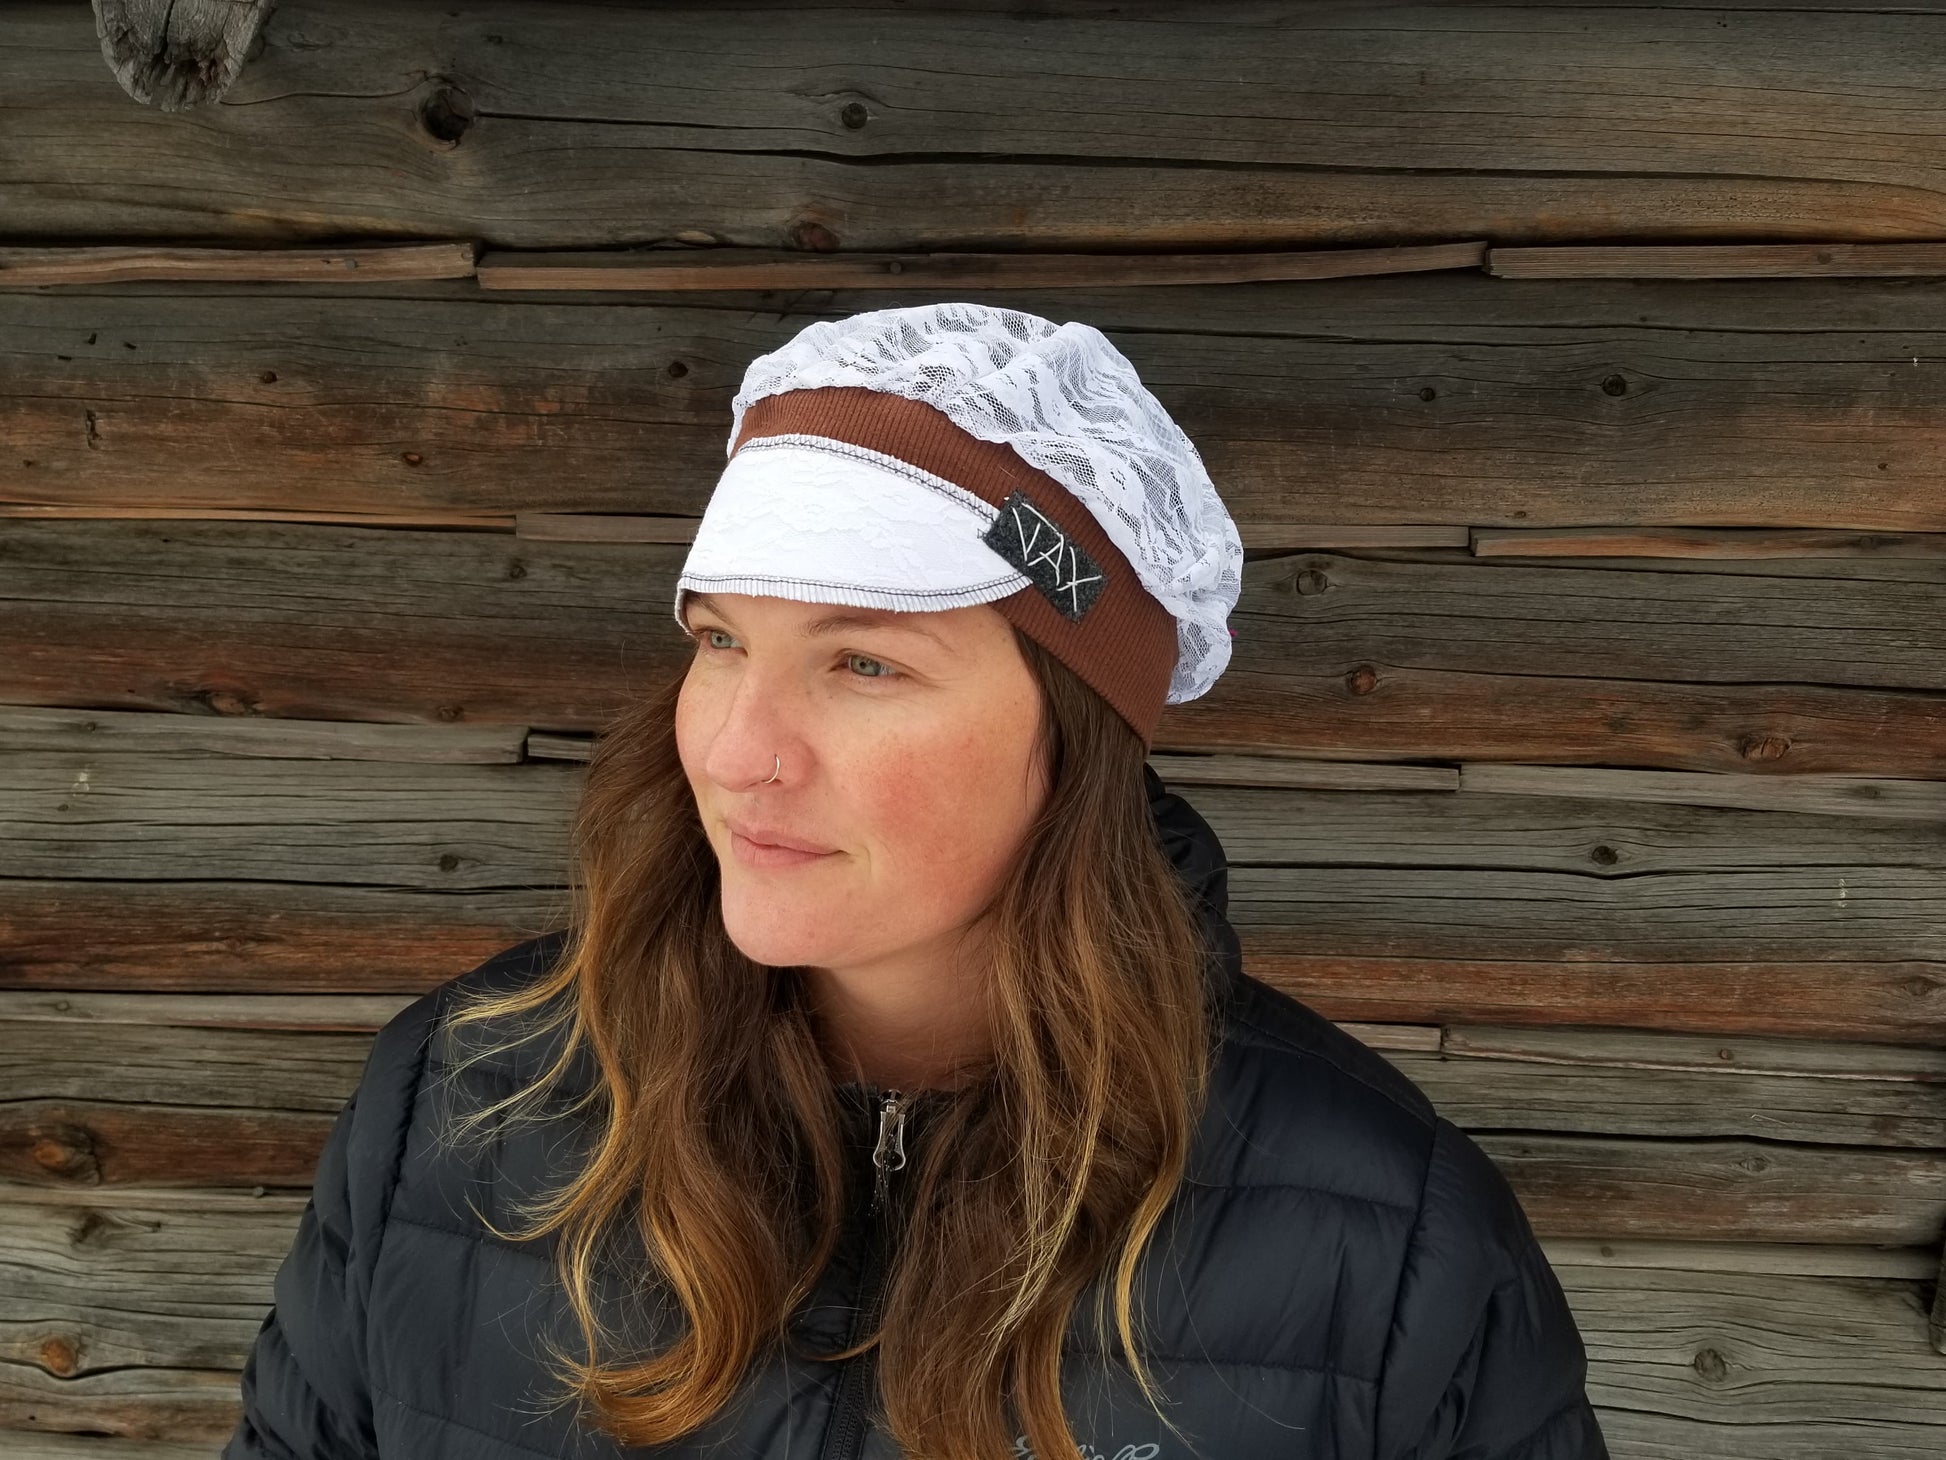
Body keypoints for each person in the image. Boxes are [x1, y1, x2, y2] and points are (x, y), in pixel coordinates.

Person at [225, 302, 1608, 1459]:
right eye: (720, 641)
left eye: (864, 662)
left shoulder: (1389, 1240)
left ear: (1073, 739)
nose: (738, 752)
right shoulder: (459, 1102)